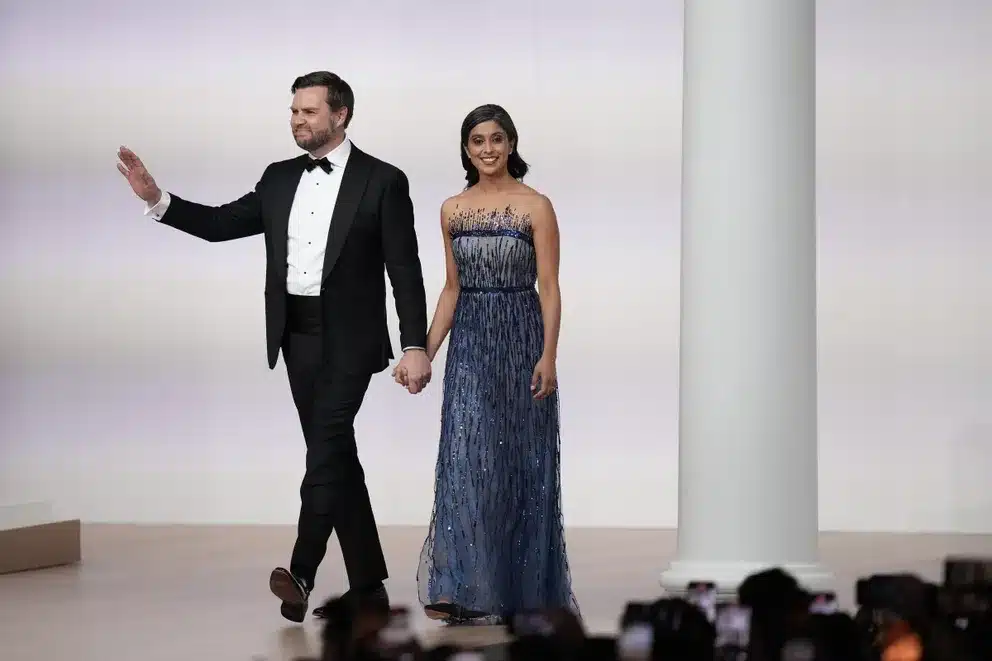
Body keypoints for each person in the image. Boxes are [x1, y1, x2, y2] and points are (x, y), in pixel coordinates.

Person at [116, 71, 432, 623]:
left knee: (325, 449)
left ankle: (301, 572)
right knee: (335, 456)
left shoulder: (383, 180)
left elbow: (404, 268)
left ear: (340, 115)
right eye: (293, 111)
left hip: (353, 339)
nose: (297, 120)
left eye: (308, 111)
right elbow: (219, 224)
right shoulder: (279, 177)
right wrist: (158, 199)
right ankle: (369, 588)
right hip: (296, 337)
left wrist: (414, 345)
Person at [397, 104, 579, 623]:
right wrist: (422, 352)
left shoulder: (536, 206)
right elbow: (451, 290)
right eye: (477, 141)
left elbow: (550, 287)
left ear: (511, 143)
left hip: (522, 341)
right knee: (466, 461)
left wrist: (549, 354)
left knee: (520, 465)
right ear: (466, 149)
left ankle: (519, 593)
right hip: (471, 347)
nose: (488, 149)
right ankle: (459, 588)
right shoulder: (452, 209)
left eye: (496, 139)